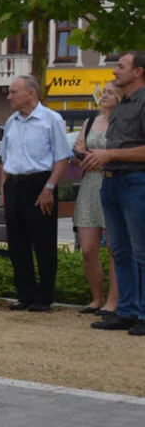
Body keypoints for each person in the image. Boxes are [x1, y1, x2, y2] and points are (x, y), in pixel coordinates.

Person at [82, 52, 145, 336]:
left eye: (120, 66)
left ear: (139, 71)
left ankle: (142, 314)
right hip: (110, 184)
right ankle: (127, 310)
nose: (114, 71)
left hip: (136, 184)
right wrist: (96, 157)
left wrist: (110, 154)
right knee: (120, 251)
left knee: (141, 252)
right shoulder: (120, 108)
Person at [0, 75, 72, 312]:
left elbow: (62, 158)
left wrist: (49, 188)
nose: (9, 97)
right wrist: (4, 190)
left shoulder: (51, 119)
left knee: (44, 242)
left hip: (39, 184)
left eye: (13, 92)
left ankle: (44, 296)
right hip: (14, 185)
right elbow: (5, 159)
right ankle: (25, 294)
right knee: (17, 243)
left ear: (30, 93)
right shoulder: (11, 122)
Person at [70, 82, 121, 315]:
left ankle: (114, 302)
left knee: (114, 248)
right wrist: (86, 157)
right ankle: (96, 299)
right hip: (90, 186)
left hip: (113, 183)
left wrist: (94, 156)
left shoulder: (124, 124)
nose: (105, 95)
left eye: (110, 92)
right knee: (88, 249)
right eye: (104, 92)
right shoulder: (90, 122)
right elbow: (76, 154)